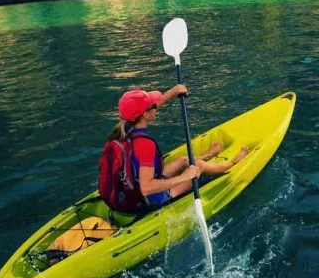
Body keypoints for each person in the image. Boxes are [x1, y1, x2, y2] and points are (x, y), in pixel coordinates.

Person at [107, 86, 249, 210]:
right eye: (153, 106)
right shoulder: (144, 145)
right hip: (150, 198)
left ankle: (207, 156)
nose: (156, 107)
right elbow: (147, 188)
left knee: (183, 160)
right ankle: (232, 164)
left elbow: (147, 109)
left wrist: (173, 92)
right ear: (145, 115)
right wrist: (184, 177)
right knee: (198, 166)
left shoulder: (121, 130)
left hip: (130, 190)